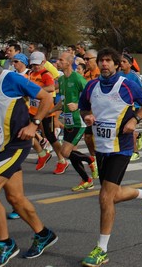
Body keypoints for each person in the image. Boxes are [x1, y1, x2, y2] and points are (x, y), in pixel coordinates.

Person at [78, 48, 142, 267]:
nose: (104, 64)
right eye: (101, 61)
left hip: (121, 149)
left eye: (108, 61)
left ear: (116, 65)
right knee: (111, 196)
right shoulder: (91, 86)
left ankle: (101, 250)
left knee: (105, 197)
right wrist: (87, 117)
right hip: (102, 148)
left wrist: (134, 120)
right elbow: (83, 108)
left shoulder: (126, 85)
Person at [0, 41, 58, 266]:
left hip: (14, 146)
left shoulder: (10, 79)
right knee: (15, 198)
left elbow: (46, 98)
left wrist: (34, 124)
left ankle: (5, 243)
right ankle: (43, 234)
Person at [54, 52, 97, 190]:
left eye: (61, 60)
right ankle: (87, 180)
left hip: (79, 121)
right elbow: (62, 101)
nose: (58, 62)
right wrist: (50, 111)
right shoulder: (61, 80)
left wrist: (78, 105)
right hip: (68, 121)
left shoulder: (78, 78)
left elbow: (92, 96)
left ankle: (90, 160)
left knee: (65, 152)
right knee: (71, 155)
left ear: (68, 62)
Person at [119, 54, 142, 161]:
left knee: (129, 129)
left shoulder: (134, 76)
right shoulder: (118, 75)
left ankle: (135, 152)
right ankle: (138, 136)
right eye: (121, 62)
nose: (121, 64)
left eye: (124, 62)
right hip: (122, 106)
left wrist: (134, 95)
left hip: (134, 106)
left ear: (130, 64)